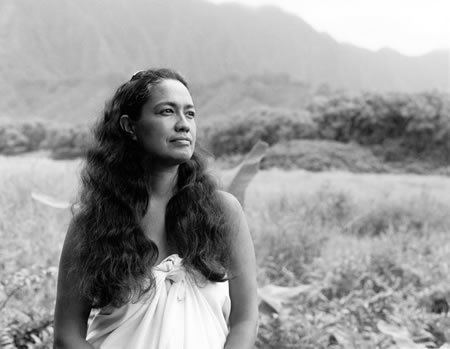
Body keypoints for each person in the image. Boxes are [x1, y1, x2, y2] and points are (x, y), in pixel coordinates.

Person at [53, 68, 258, 349]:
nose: (183, 124)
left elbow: (245, 319)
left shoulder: (223, 211)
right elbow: (67, 335)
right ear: (129, 126)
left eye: (190, 113)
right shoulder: (94, 222)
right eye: (167, 112)